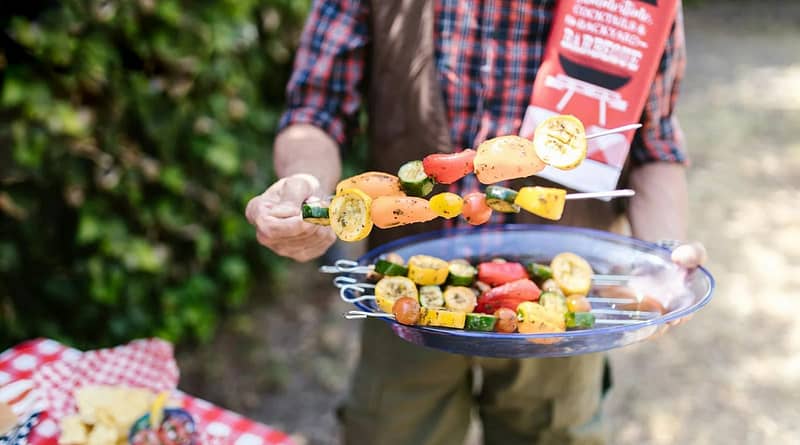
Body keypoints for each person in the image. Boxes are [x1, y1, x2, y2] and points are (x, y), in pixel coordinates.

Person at [246, 1, 707, 444]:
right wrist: (306, 186)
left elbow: (654, 142)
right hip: (406, 293)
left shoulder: (636, 4)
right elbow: (316, 112)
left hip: (561, 308)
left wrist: (659, 256)